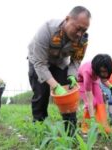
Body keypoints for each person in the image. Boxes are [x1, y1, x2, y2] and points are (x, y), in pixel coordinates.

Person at [27, 6, 91, 135]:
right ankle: (40, 129)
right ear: (67, 19)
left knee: (69, 93)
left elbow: (76, 60)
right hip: (38, 61)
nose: (79, 33)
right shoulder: (46, 30)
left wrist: (72, 75)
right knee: (41, 94)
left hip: (60, 63)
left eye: (83, 30)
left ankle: (70, 130)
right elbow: (40, 63)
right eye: (78, 28)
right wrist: (55, 86)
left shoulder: (82, 40)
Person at [78, 54, 112, 134]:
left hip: (94, 80)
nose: (105, 74)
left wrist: (111, 87)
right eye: (103, 72)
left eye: (107, 72)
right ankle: (85, 126)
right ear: (98, 69)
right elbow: (89, 98)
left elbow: (103, 79)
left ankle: (104, 126)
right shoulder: (87, 71)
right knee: (93, 102)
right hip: (82, 81)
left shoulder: (102, 69)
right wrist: (92, 118)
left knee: (100, 101)